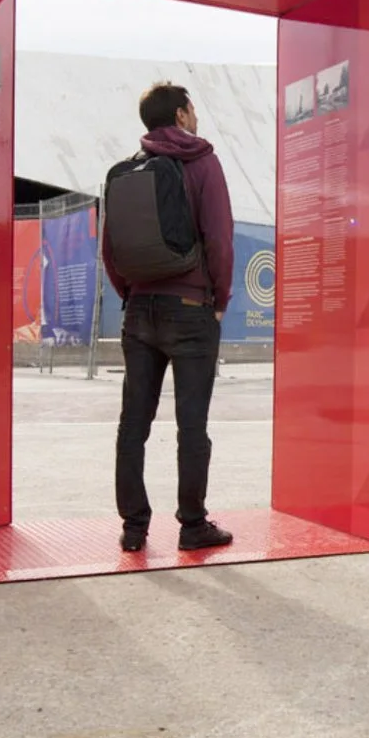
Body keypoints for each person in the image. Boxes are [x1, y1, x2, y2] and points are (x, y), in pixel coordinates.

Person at [102, 82, 236, 554]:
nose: (196, 116)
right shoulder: (201, 162)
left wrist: (132, 295)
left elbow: (111, 250)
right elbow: (219, 237)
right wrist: (219, 298)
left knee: (132, 425)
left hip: (138, 311)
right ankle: (192, 524)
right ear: (181, 115)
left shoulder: (126, 171)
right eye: (193, 108)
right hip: (190, 308)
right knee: (191, 426)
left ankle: (134, 528)